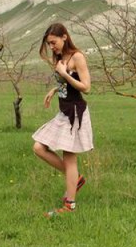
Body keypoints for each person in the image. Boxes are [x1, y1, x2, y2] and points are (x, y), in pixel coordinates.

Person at [32, 23, 93, 217]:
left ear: (64, 37)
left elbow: (86, 87)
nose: (52, 47)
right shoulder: (60, 57)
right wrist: (55, 89)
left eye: (53, 42)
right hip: (64, 112)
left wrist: (65, 74)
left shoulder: (77, 57)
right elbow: (67, 84)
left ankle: (69, 206)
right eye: (49, 44)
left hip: (75, 113)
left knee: (69, 157)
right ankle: (75, 179)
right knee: (38, 147)